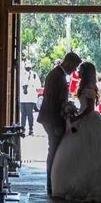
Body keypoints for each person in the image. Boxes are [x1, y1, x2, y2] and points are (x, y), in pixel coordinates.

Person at [49, 62, 101, 202]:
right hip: (82, 117)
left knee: (91, 152)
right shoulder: (84, 85)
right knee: (80, 153)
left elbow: (90, 108)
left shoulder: (89, 87)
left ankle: (92, 184)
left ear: (86, 72)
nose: (78, 71)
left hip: (89, 120)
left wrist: (77, 117)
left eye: (80, 70)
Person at [37, 48, 81, 188]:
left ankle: (53, 181)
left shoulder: (57, 74)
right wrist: (56, 124)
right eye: (73, 66)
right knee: (54, 150)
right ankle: (51, 183)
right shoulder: (57, 76)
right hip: (52, 119)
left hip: (51, 118)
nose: (73, 70)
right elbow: (52, 102)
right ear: (68, 62)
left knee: (55, 149)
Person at [19, 57, 39, 137]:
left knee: (29, 114)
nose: (28, 68)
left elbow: (38, 85)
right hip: (22, 98)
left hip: (30, 97)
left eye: (29, 66)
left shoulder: (34, 75)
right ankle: (22, 128)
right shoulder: (21, 74)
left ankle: (31, 129)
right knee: (23, 114)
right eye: (26, 66)